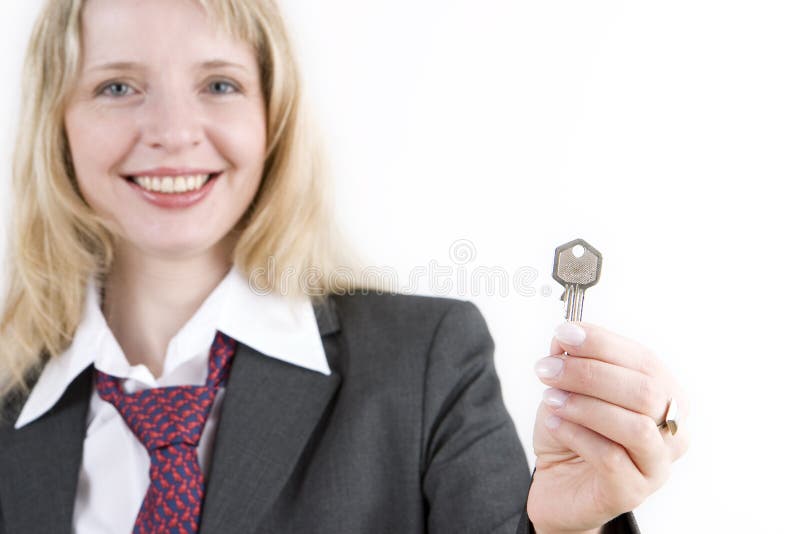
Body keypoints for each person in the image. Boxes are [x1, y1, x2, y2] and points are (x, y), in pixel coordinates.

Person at [0, 0, 690, 532]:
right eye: (118, 88)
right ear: (56, 122)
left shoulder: (426, 365)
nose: (175, 131)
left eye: (219, 84)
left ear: (275, 116)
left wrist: (570, 529)